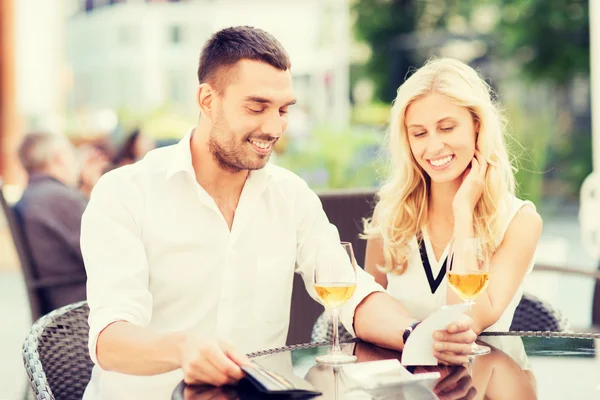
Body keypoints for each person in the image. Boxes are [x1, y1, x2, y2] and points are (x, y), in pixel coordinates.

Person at [80, 27, 477, 399]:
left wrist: (416, 334)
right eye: (257, 107)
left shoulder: (290, 195)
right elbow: (110, 340)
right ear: (206, 100)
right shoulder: (125, 193)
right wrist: (184, 348)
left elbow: (352, 292)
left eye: (284, 110)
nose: (273, 127)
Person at [363, 58, 543, 338]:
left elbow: (467, 322)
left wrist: (463, 212)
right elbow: (366, 311)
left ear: (477, 126)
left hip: (484, 378)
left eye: (447, 128)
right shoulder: (389, 216)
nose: (434, 146)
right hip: (401, 379)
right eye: (419, 133)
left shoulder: (520, 222)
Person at [14, 132, 108, 311]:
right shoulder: (58, 198)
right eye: (71, 154)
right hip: (81, 303)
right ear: (58, 158)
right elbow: (106, 251)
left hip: (60, 298)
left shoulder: (34, 194)